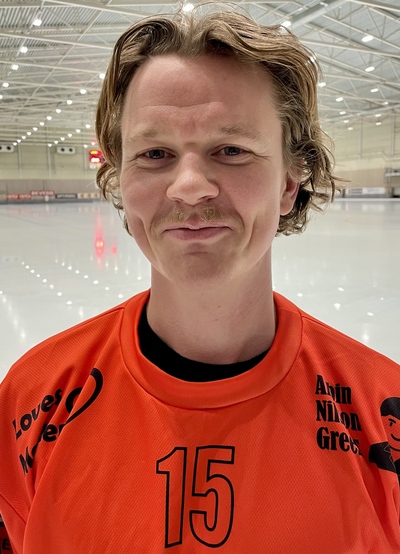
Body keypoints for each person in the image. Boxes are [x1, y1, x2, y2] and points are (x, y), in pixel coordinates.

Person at [0, 4, 399, 553]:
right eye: (154, 153)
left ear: (290, 182)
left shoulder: (384, 411)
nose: (189, 186)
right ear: (121, 179)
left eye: (231, 150)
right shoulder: (32, 400)